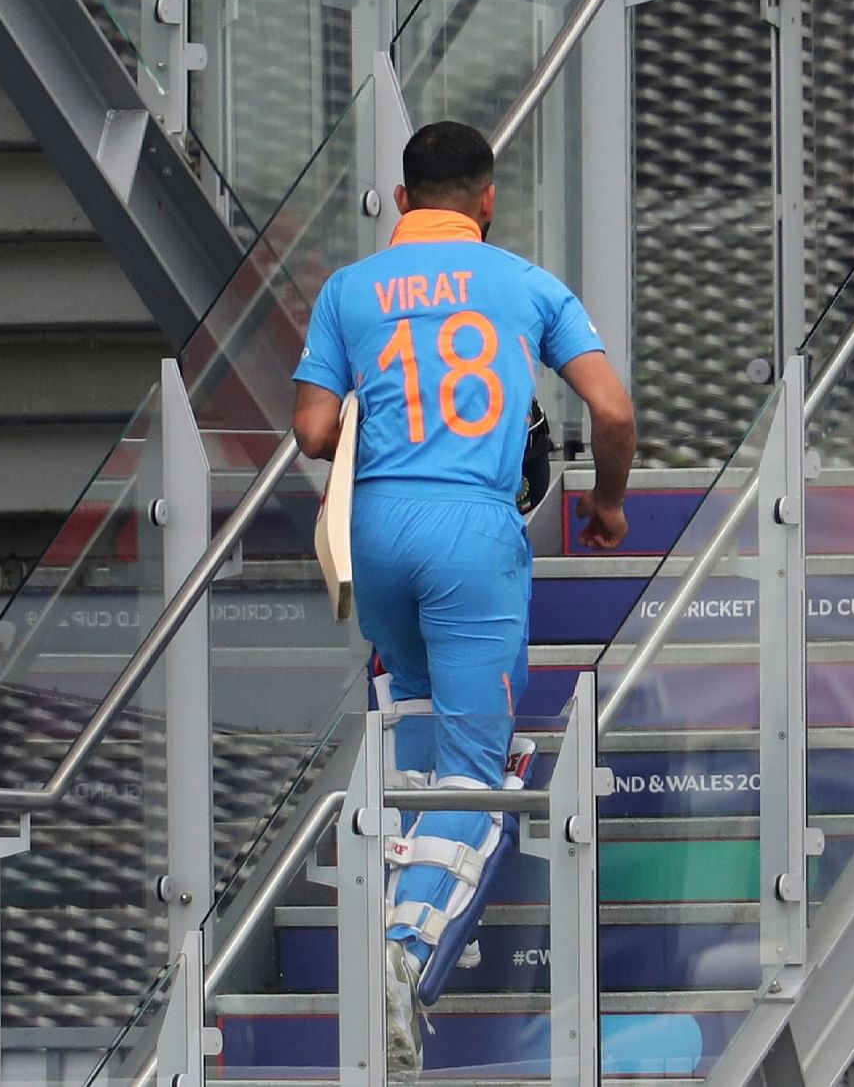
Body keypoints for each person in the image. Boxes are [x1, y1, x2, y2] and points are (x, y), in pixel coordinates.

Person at [292, 120, 636, 1075]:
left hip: (373, 531)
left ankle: (389, 927)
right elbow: (611, 410)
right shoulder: (528, 284)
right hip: (471, 532)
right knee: (478, 776)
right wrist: (606, 504)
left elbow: (315, 430)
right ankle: (401, 958)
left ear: (400, 202)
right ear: (487, 200)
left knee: (415, 739)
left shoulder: (347, 290)